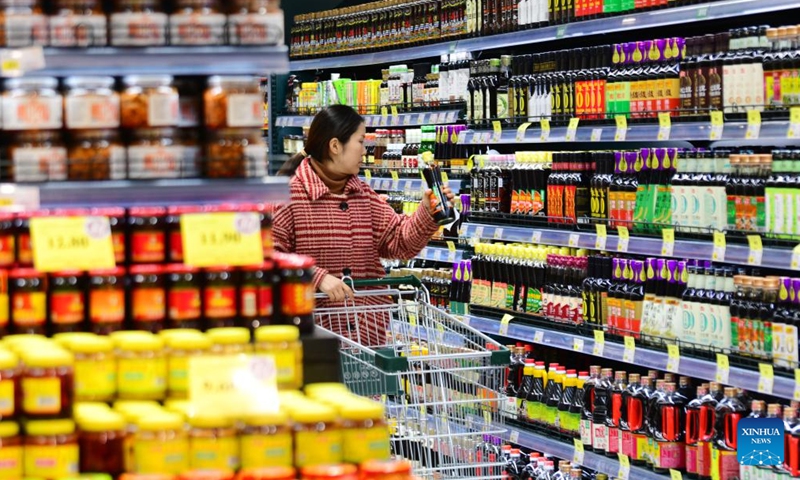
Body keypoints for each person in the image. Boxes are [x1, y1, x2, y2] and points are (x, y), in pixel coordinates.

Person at [273, 105, 454, 342]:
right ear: (335, 146)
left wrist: (428, 213)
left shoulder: (362, 194)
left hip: (366, 338)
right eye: (360, 141)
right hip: (313, 339)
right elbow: (267, 256)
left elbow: (399, 242)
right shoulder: (289, 196)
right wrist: (315, 276)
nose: (365, 150)